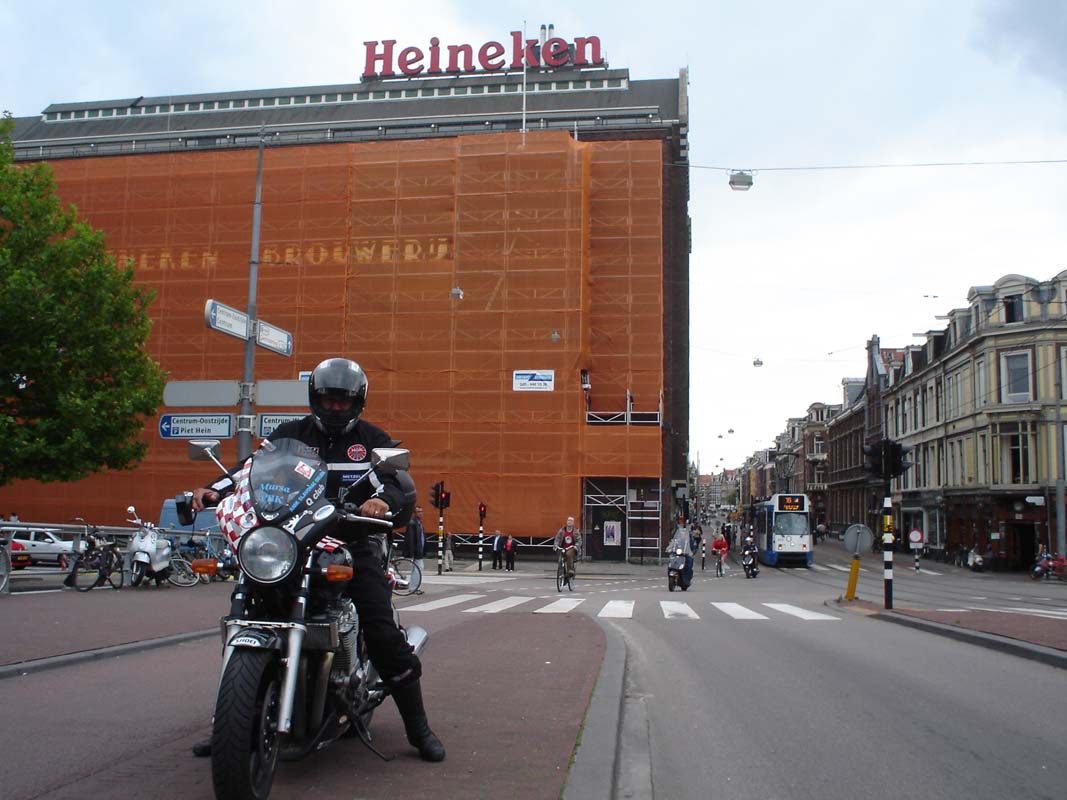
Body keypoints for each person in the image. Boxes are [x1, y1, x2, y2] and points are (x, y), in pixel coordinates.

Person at [186, 358, 445, 762]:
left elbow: (395, 482)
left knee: (379, 628)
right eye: (328, 400)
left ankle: (418, 729)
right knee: (254, 610)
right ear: (314, 399)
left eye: (343, 401)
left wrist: (382, 501)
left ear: (357, 402)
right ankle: (233, 726)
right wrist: (213, 490)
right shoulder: (289, 435)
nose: (335, 408)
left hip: (353, 540)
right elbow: (249, 470)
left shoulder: (373, 440)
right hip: (295, 539)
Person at [405, 506, 426, 594]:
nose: (420, 513)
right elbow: (410, 539)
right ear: (414, 513)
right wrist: (411, 552)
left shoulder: (418, 523)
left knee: (417, 569)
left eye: (421, 511)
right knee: (418, 569)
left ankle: (414, 587)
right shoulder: (412, 523)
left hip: (419, 549)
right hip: (417, 550)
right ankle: (414, 587)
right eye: (418, 512)